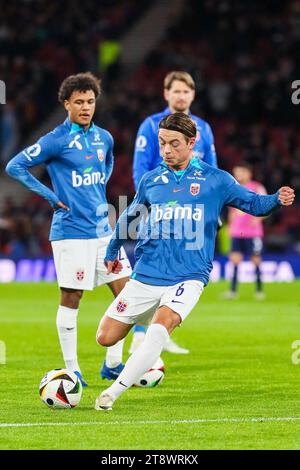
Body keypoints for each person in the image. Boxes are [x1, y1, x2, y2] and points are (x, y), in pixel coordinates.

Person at [94, 112, 294, 410]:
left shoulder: (216, 180)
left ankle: (113, 393)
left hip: (189, 273)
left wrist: (277, 198)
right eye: (162, 143)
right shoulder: (152, 180)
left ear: (191, 143)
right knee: (105, 337)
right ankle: (152, 327)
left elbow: (253, 204)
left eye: (174, 144)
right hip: (148, 272)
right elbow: (130, 216)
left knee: (160, 329)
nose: (166, 151)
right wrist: (112, 251)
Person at [5, 72, 132, 386]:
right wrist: (51, 195)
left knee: (128, 292)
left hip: (104, 232)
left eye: (90, 101)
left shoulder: (104, 138)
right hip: (71, 233)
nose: (86, 107)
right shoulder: (55, 140)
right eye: (79, 102)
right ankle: (72, 369)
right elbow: (14, 166)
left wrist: (100, 192)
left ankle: (113, 362)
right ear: (66, 104)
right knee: (72, 296)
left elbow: (108, 163)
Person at [131, 70, 218, 354]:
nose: (181, 96)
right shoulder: (151, 125)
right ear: (166, 94)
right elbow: (140, 168)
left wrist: (213, 209)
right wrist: (146, 205)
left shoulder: (203, 128)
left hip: (191, 215)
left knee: (181, 275)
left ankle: (160, 333)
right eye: (175, 91)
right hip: (160, 210)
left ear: (193, 95)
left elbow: (212, 172)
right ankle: (139, 336)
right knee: (151, 273)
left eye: (186, 91)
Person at [224, 163, 267, 300]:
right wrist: (230, 226)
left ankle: (259, 290)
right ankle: (233, 291)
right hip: (237, 232)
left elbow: (268, 205)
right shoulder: (234, 187)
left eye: (240, 172)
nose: (238, 175)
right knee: (235, 260)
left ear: (249, 173)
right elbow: (232, 210)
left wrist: (259, 219)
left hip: (252, 232)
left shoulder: (257, 187)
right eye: (236, 172)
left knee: (255, 260)